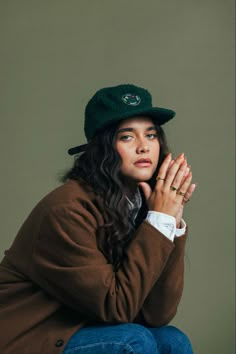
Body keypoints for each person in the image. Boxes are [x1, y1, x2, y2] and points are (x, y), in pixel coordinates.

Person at [0, 84, 196, 354]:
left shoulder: (142, 202)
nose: (143, 147)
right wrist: (160, 219)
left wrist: (170, 222)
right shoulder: (67, 210)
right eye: (127, 137)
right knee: (133, 341)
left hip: (82, 327)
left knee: (172, 339)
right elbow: (116, 307)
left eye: (150, 135)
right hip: (31, 337)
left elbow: (157, 314)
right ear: (103, 147)